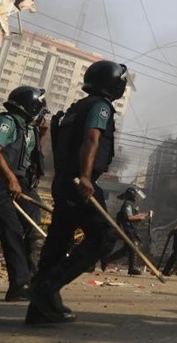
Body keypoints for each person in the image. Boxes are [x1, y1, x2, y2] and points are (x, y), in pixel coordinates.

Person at [26, 60, 128, 325]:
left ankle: (39, 310)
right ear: (112, 83)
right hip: (80, 183)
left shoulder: (74, 108)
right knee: (103, 238)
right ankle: (47, 288)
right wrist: (84, 177)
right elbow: (92, 138)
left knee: (57, 242)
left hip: (63, 181)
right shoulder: (100, 107)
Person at [0, 86, 48, 301]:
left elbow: (31, 156)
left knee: (35, 229)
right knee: (12, 231)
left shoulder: (31, 128)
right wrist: (10, 179)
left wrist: (43, 134)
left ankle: (33, 280)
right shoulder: (7, 122)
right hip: (2, 181)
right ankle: (18, 285)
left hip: (23, 183)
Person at [103, 186, 148, 275]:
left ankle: (106, 260)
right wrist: (141, 217)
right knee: (134, 246)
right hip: (128, 229)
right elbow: (129, 217)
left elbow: (133, 215)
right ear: (132, 195)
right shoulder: (127, 204)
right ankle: (132, 268)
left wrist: (144, 215)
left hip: (131, 229)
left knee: (126, 251)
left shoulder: (130, 204)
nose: (137, 197)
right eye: (135, 195)